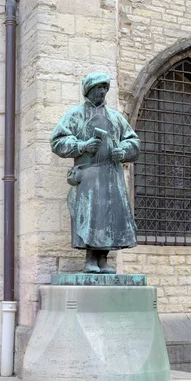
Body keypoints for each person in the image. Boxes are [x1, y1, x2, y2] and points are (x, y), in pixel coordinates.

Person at [50, 72, 140, 273]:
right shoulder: (75, 115)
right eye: (98, 87)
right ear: (89, 90)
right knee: (90, 217)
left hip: (111, 175)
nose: (102, 91)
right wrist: (82, 146)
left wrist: (123, 151)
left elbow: (133, 141)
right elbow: (57, 141)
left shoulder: (116, 118)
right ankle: (90, 260)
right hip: (89, 174)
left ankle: (103, 260)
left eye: (104, 88)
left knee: (110, 218)